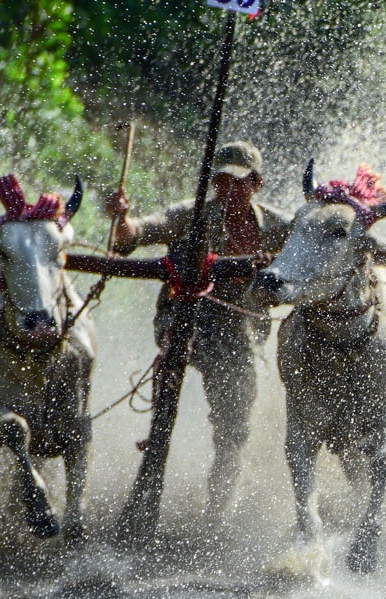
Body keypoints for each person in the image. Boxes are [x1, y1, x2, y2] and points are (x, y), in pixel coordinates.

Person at [103, 142, 292, 521]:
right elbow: (134, 235)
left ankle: (217, 507)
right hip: (184, 316)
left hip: (241, 327)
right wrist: (122, 218)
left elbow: (315, 253)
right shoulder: (191, 214)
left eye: (237, 182)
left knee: (235, 419)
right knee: (180, 354)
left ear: (257, 183)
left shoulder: (278, 227)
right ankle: (151, 470)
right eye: (220, 180)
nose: (227, 189)